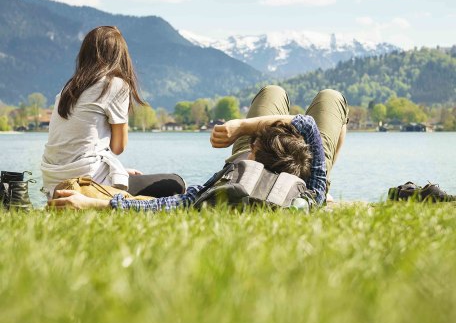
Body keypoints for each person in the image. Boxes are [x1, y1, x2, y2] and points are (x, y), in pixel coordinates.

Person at [49, 85, 348, 210]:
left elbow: (168, 205)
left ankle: (266, 133)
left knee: (273, 92)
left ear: (251, 155)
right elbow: (307, 124)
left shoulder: (233, 183)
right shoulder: (312, 193)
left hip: (278, 158)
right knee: (332, 98)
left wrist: (92, 203)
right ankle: (329, 186)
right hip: (298, 169)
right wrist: (243, 129)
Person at [42, 26, 185, 200]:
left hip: (54, 184)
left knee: (133, 178)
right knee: (176, 183)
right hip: (86, 182)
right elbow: (118, 147)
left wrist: (118, 172)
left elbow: (79, 148)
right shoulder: (115, 84)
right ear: (120, 55)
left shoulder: (68, 89)